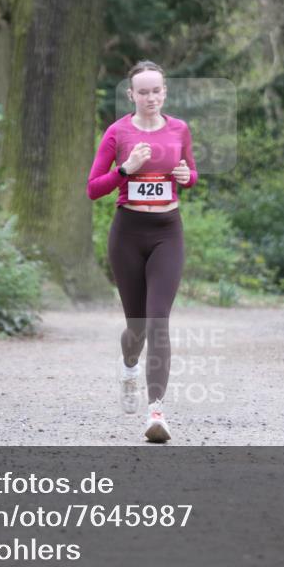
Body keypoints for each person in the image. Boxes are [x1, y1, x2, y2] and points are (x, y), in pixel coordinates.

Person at [86, 60, 198, 443]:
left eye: (157, 91)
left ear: (165, 93)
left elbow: (190, 173)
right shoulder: (117, 133)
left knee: (158, 321)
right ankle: (129, 365)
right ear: (131, 94)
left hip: (168, 231)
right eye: (143, 91)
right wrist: (126, 169)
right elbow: (93, 188)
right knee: (136, 327)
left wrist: (187, 177)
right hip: (128, 234)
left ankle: (157, 412)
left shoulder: (180, 129)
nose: (151, 97)